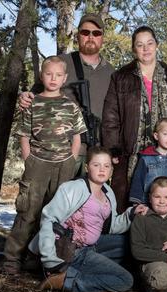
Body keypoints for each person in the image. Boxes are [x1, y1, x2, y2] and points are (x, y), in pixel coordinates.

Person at [3, 56, 87, 275]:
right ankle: (12, 259)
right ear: (42, 76)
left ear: (65, 78)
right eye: (49, 74)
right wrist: (28, 158)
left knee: (53, 214)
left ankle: (36, 258)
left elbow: (77, 135)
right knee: (28, 212)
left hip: (63, 164)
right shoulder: (33, 103)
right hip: (38, 163)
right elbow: (23, 134)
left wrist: (71, 158)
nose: (53, 78)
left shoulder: (70, 105)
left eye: (58, 75)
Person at [102, 25, 167, 213]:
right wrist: (113, 150)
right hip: (131, 154)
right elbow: (111, 117)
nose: (145, 49)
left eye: (150, 43)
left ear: (157, 45)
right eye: (140, 45)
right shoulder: (120, 77)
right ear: (133, 49)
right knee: (128, 206)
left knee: (166, 205)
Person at [28, 147, 147, 292]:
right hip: (72, 250)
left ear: (111, 171)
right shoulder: (72, 188)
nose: (102, 169)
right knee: (125, 280)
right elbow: (49, 221)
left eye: (106, 166)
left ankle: (83, 271)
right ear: (86, 167)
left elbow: (112, 226)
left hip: (93, 245)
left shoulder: (108, 192)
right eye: (96, 165)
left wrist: (132, 213)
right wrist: (50, 262)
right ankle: (65, 281)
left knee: (131, 243)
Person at [19, 13, 114, 176]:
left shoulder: (112, 72)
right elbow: (34, 95)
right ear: (78, 36)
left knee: (89, 201)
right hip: (59, 152)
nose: (91, 37)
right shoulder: (60, 63)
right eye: (85, 32)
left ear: (102, 38)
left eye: (96, 33)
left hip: (96, 155)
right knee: (56, 199)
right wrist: (26, 97)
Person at [129, 117, 167, 206]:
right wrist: (136, 202)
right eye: (165, 134)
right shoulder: (146, 157)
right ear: (156, 136)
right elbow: (138, 179)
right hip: (147, 203)